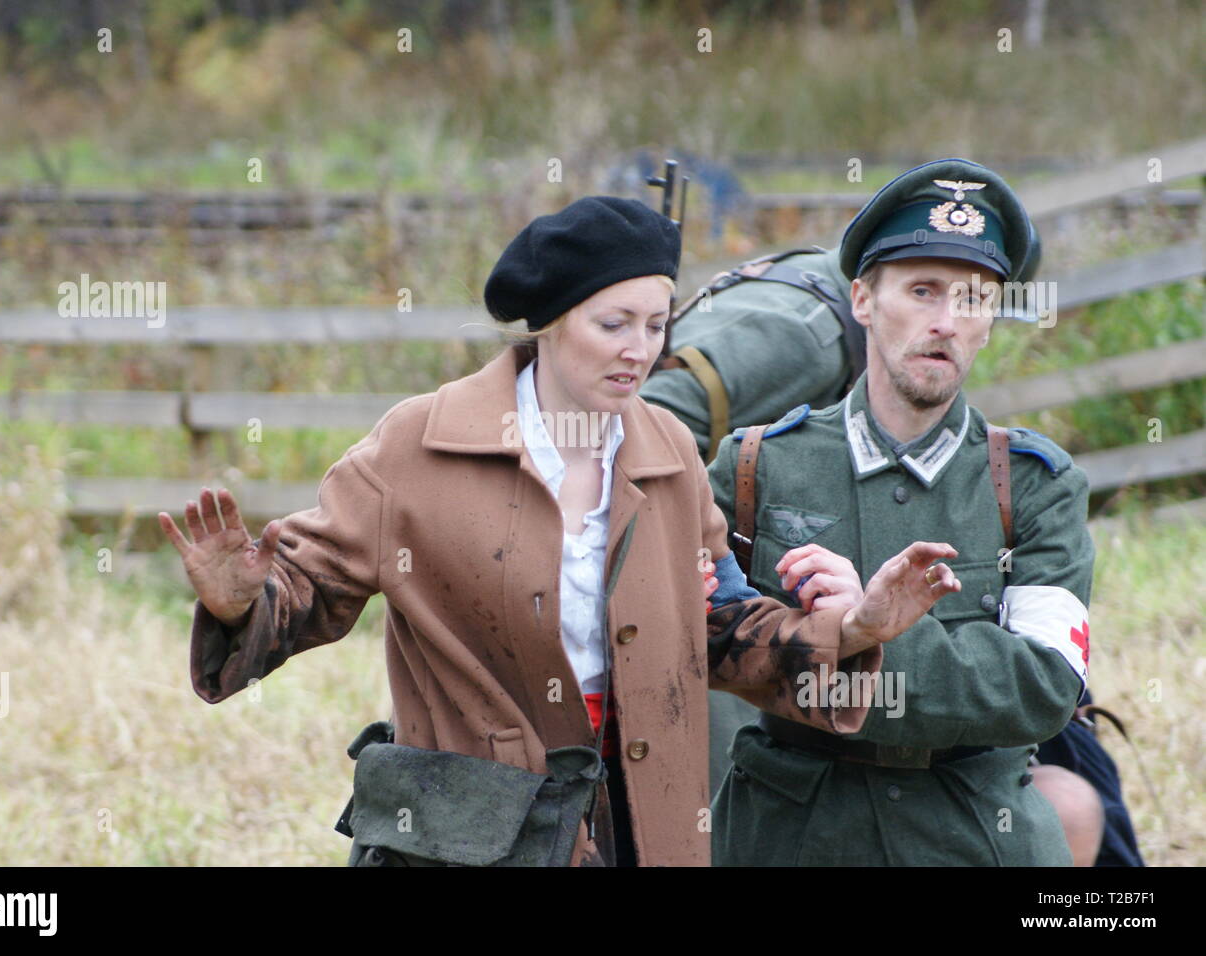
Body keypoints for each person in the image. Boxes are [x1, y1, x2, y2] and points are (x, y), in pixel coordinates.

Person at [158, 195, 960, 867]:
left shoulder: (669, 453)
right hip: (471, 836)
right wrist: (242, 604)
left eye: (655, 326)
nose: (639, 351)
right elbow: (310, 586)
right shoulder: (418, 443)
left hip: (644, 821)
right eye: (614, 324)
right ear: (550, 322)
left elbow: (716, 625)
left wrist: (850, 627)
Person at [641, 169, 1142, 868]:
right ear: (863, 300)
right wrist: (842, 630)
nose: (946, 321)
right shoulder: (756, 467)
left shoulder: (1034, 485)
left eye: (973, 298)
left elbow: (1045, 685)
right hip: (787, 836)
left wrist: (872, 641)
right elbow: (705, 643)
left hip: (975, 836)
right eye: (922, 291)